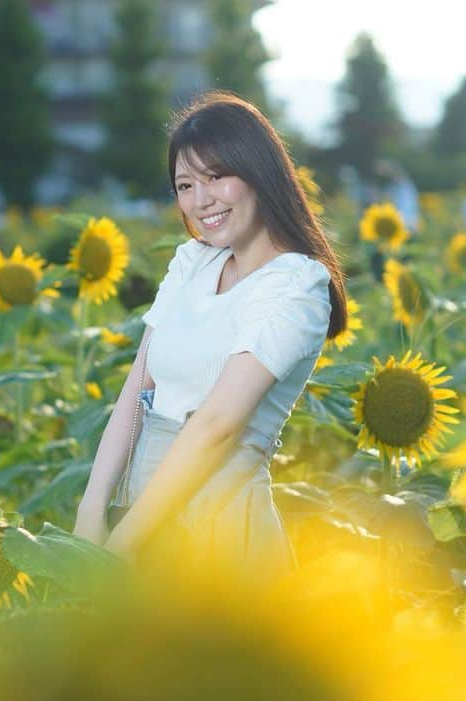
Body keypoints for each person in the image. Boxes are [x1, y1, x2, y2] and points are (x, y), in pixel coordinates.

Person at [72, 90, 349, 567]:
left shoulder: (298, 285)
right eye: (184, 186)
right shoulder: (194, 262)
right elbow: (138, 385)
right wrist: (91, 510)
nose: (201, 201)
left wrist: (122, 546)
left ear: (259, 173)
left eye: (217, 177)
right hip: (143, 516)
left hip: (217, 525)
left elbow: (218, 426)